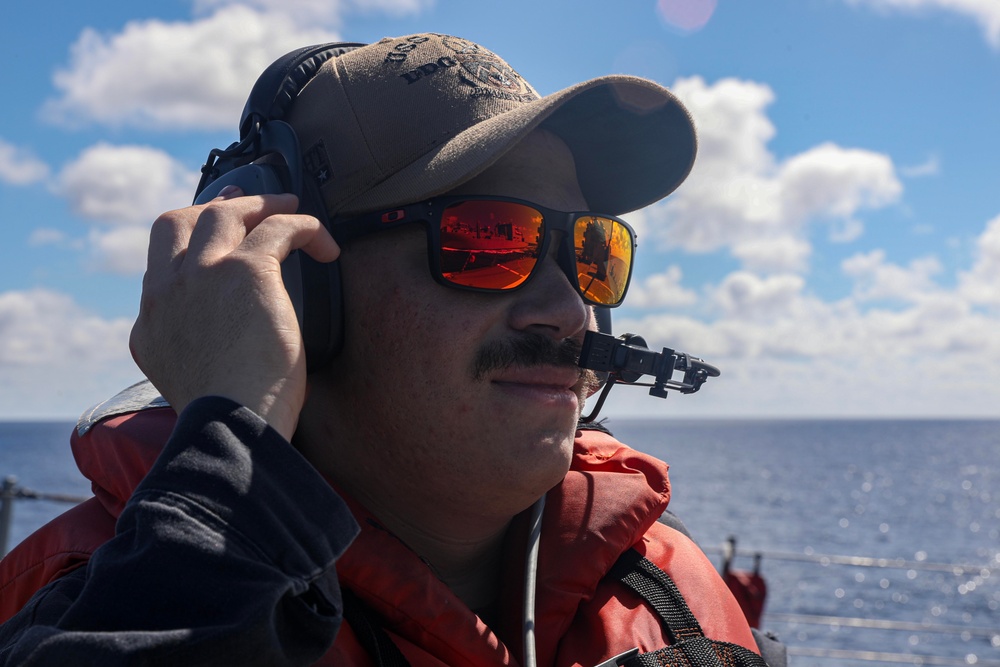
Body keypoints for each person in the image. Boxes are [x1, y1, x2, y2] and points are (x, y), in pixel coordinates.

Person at [0, 34, 785, 666]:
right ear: (298, 286)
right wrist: (233, 459)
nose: (568, 309)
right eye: (488, 239)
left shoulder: (678, 600)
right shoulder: (75, 601)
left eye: (591, 250)